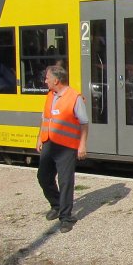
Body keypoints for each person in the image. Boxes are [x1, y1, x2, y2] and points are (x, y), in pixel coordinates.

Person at [35, 65, 89, 233]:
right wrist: (39, 138)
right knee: (43, 177)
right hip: (49, 143)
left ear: (56, 80)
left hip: (66, 146)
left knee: (65, 182)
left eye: (47, 78)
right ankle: (56, 204)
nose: (45, 81)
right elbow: (45, 119)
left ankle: (66, 217)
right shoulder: (50, 96)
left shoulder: (75, 97)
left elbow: (84, 123)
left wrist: (82, 145)